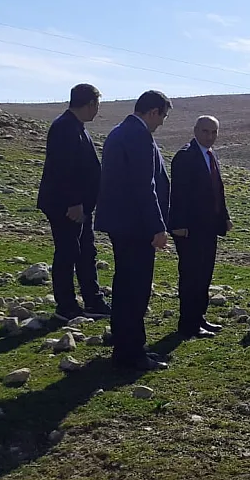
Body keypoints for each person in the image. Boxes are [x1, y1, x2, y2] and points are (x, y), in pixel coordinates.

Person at [94, 90, 172, 371]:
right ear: (153, 112)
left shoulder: (119, 131)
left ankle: (122, 341)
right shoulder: (138, 135)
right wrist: (157, 226)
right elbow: (144, 185)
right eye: (162, 116)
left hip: (121, 223)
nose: (161, 123)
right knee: (136, 289)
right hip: (136, 225)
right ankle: (132, 353)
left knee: (125, 283)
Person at [36, 83, 112, 321]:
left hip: (80, 206)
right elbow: (64, 169)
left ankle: (92, 300)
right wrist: (75, 202)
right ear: (90, 104)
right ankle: (66, 305)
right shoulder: (65, 127)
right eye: (97, 105)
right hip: (67, 206)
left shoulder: (76, 126)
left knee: (85, 251)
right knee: (68, 252)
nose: (97, 111)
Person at [169, 115, 232, 338]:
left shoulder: (210, 155)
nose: (210, 136)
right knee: (191, 275)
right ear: (195, 130)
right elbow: (177, 194)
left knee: (204, 274)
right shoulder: (185, 156)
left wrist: (224, 217)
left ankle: (199, 317)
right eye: (206, 131)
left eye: (214, 132)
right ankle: (188, 323)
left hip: (208, 227)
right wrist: (177, 224)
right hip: (190, 229)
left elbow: (217, 189)